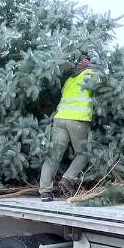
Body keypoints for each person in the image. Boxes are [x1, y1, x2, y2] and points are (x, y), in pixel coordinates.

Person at [38, 54, 95, 201]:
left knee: (54, 154)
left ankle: (45, 191)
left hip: (60, 118)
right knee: (83, 153)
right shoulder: (91, 74)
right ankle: (67, 179)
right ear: (88, 63)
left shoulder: (70, 79)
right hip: (78, 118)